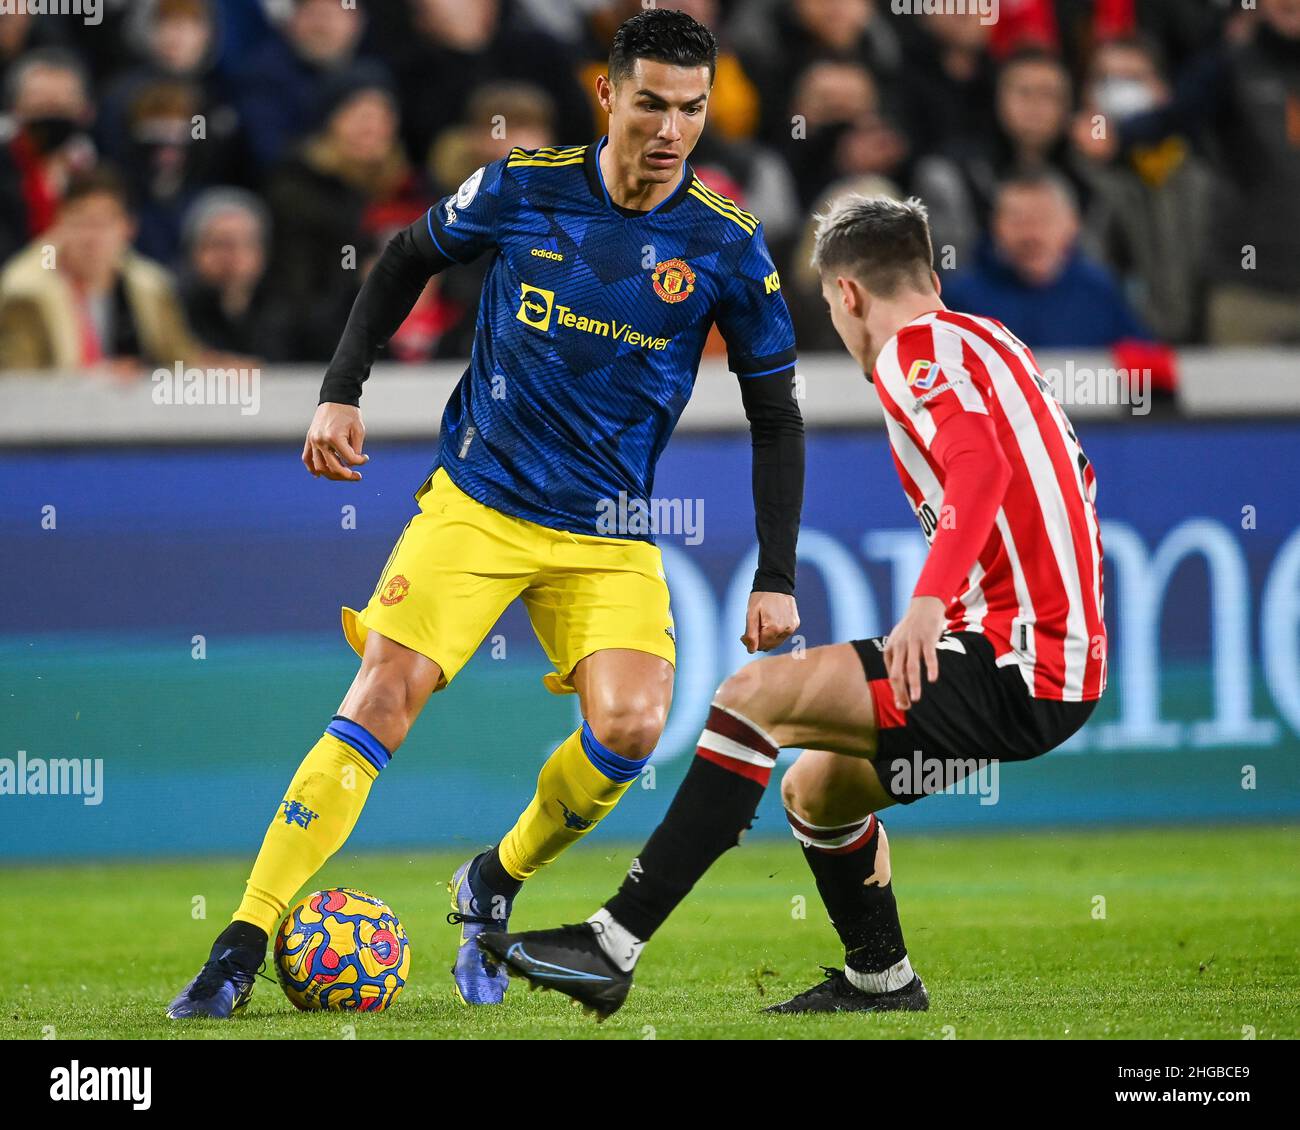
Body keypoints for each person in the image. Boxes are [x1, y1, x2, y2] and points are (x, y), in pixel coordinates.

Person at [165, 7, 804, 1019]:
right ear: (608, 94)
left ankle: (493, 879)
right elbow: (402, 258)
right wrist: (341, 387)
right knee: (383, 694)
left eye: (688, 109)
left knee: (633, 727)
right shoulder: (524, 185)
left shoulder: (724, 246)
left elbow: (777, 414)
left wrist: (774, 574)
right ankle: (241, 939)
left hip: (607, 531)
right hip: (478, 501)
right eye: (650, 104)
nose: (670, 129)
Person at [481, 194, 1106, 1019]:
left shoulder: (913, 351)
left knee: (753, 698)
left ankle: (611, 943)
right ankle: (881, 979)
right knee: (818, 792)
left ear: (847, 295)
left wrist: (930, 601)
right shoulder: (992, 342)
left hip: (1012, 659)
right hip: (1054, 669)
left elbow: (981, 467)